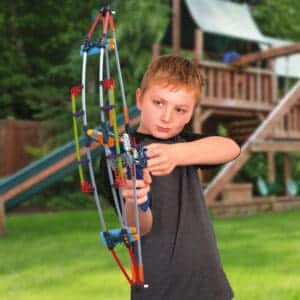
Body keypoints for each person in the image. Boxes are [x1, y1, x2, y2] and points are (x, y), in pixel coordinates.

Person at [113, 55, 240, 299]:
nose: (167, 117)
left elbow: (230, 147)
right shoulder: (120, 155)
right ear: (140, 98)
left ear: (190, 113)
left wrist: (177, 153)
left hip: (208, 282)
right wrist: (135, 199)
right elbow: (137, 227)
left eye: (180, 109)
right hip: (159, 287)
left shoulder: (184, 143)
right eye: (158, 103)